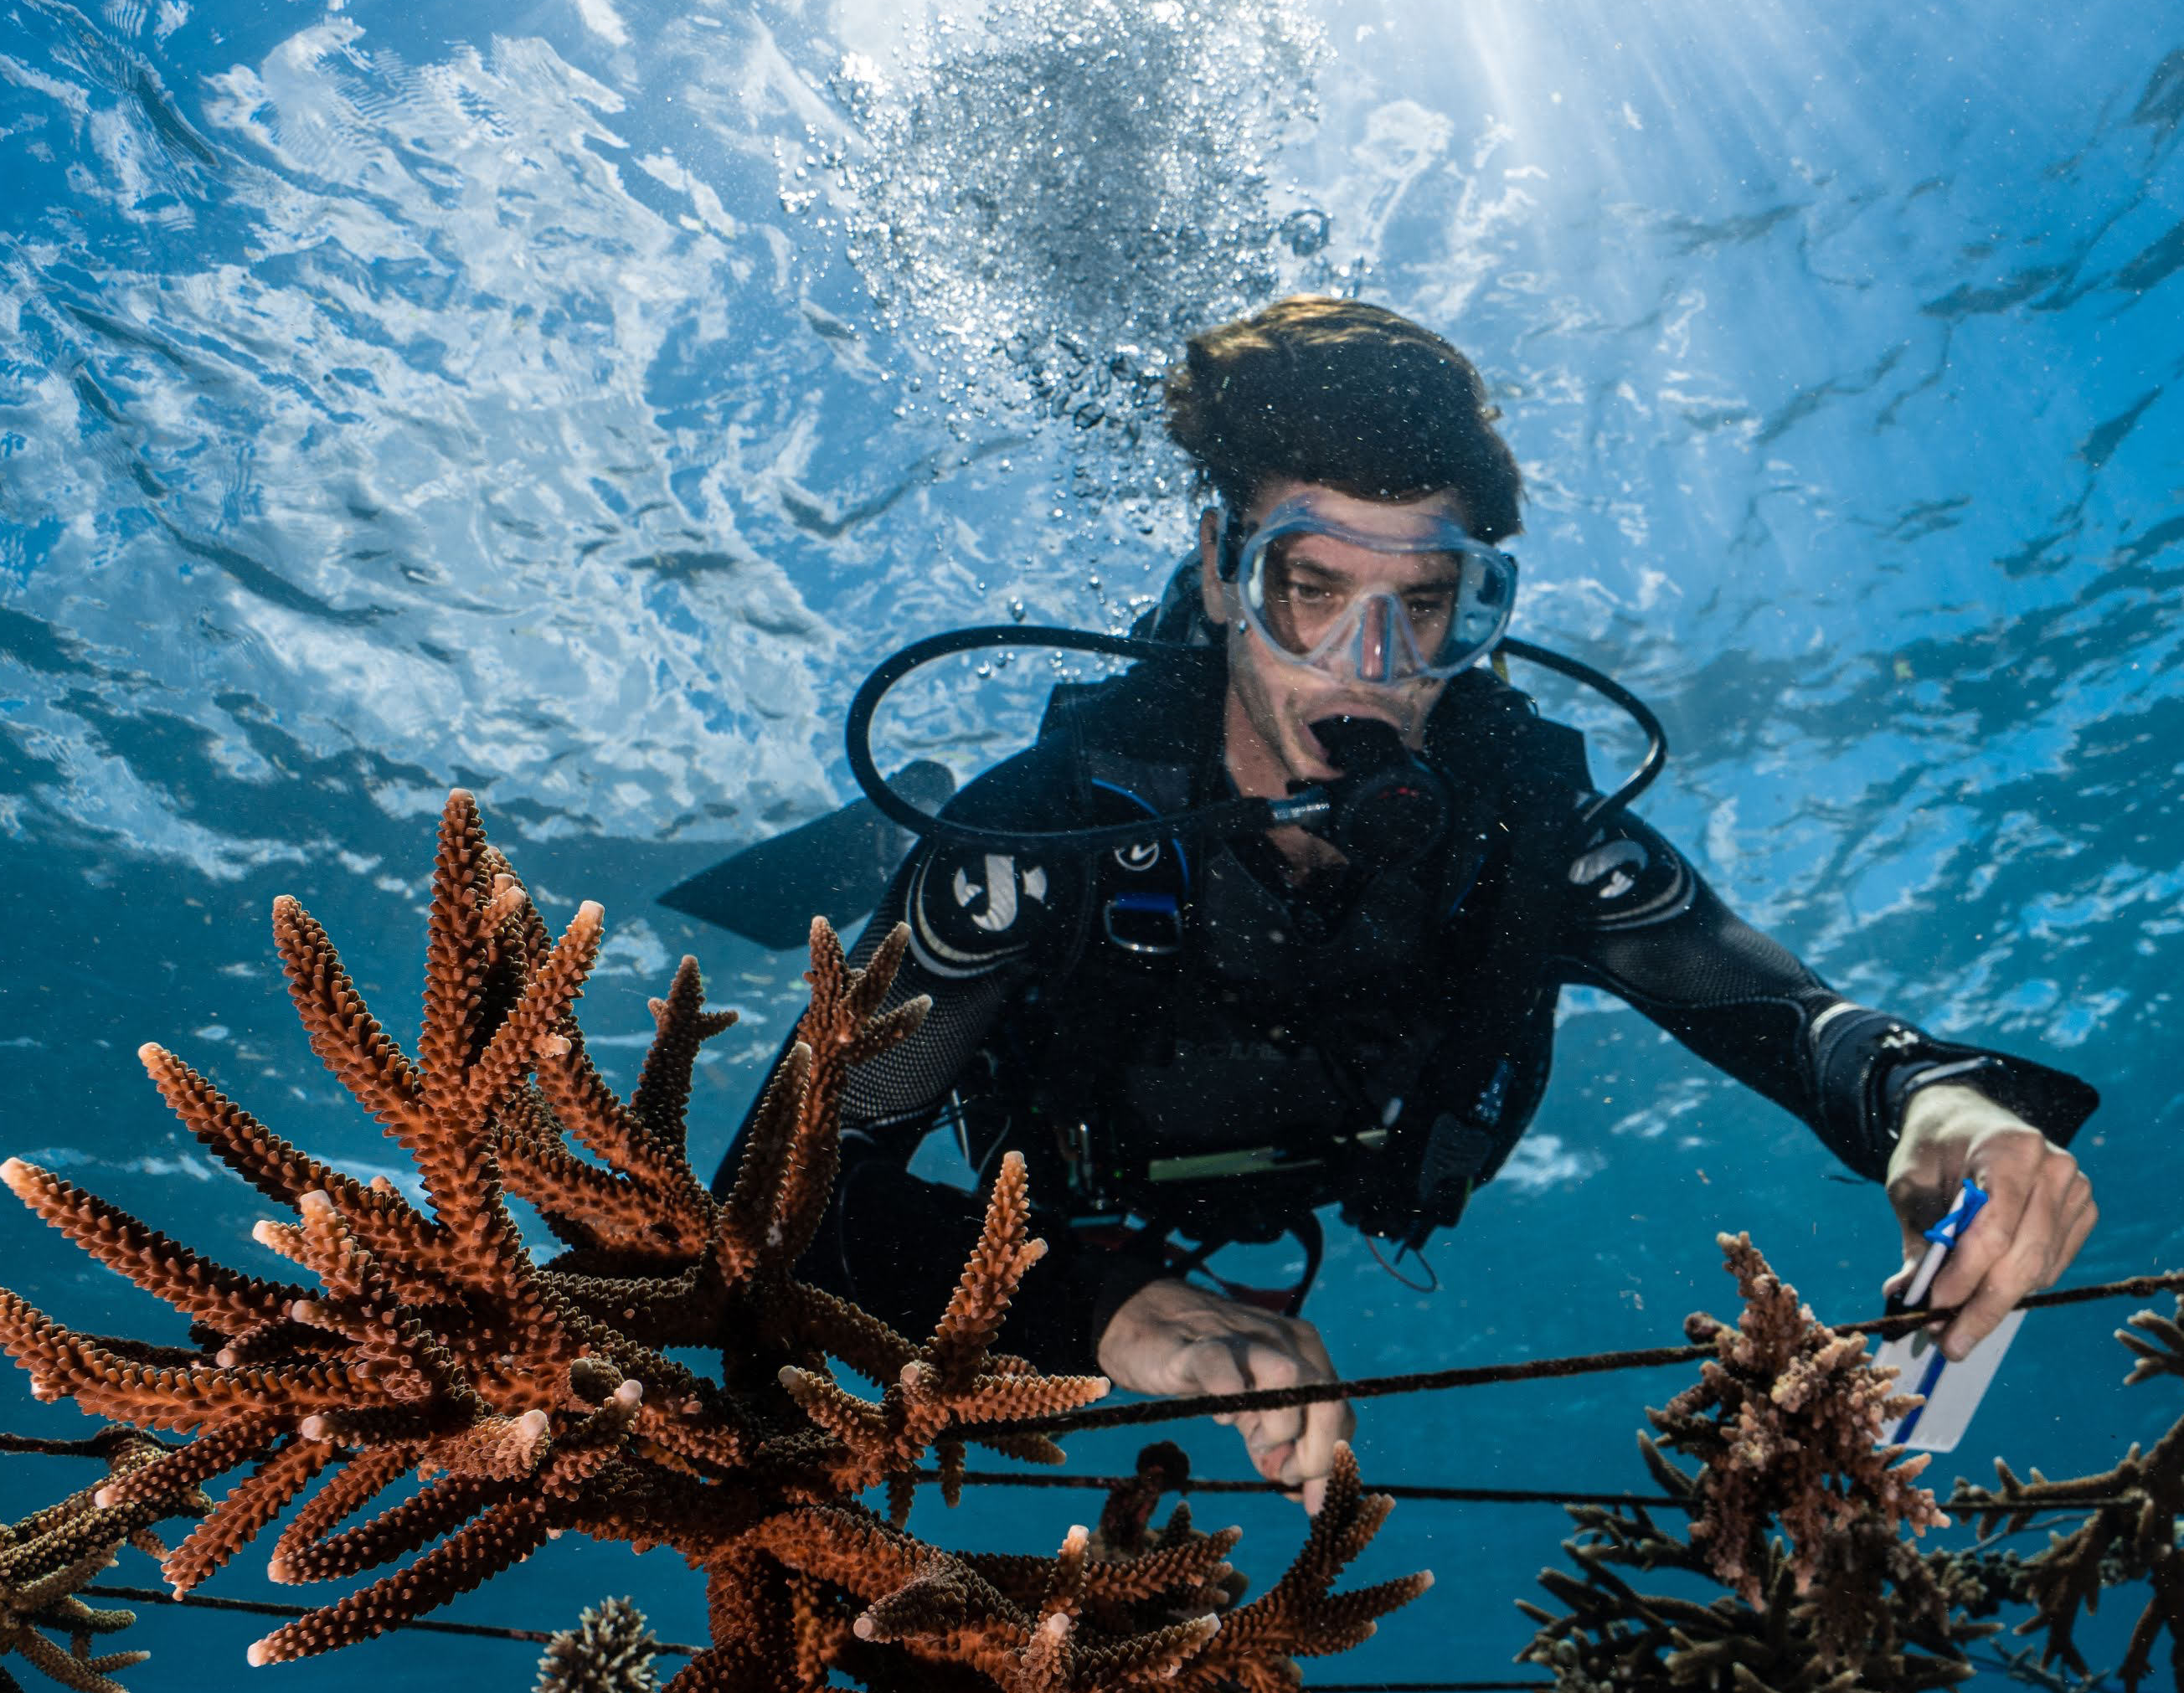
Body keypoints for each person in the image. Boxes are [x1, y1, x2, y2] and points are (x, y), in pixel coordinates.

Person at [749, 296, 2102, 1507]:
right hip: (1074, 1187)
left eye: (1430, 607)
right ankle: (866, 853)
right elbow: (782, 1200)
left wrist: (1942, 1107)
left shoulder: (1522, 827)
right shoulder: (1039, 837)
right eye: (1312, 592)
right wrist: (1098, 1301)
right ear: (1223, 571)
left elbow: (1792, 1015)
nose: (1372, 670)